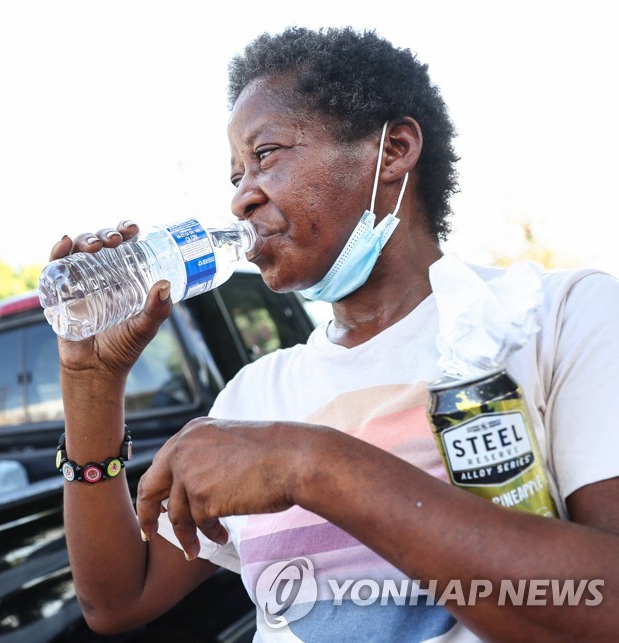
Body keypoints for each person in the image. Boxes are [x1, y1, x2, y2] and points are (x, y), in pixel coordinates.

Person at [51, 27, 619, 641]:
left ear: (394, 149)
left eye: (265, 155)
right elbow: (116, 601)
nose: (242, 197)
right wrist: (90, 386)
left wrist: (307, 463)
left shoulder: (556, 317)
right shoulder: (254, 396)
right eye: (236, 175)